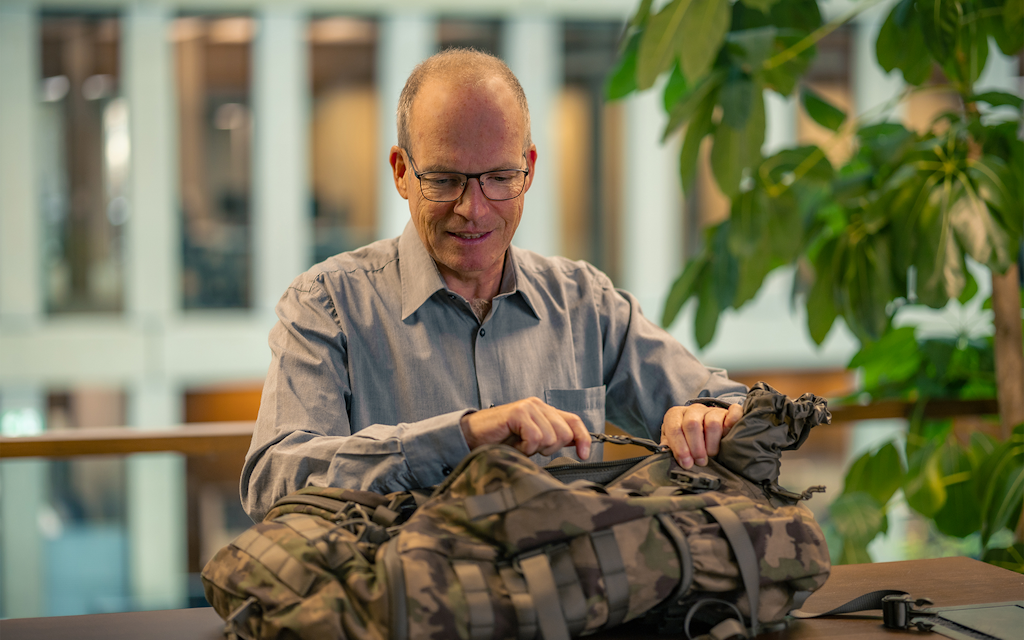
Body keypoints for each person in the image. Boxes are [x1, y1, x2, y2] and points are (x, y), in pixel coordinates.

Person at [240, 48, 747, 522]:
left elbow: (727, 402)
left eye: (500, 178)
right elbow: (274, 480)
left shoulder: (582, 302)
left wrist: (707, 415)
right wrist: (459, 438)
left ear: (528, 169)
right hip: (407, 610)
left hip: (569, 609)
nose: (473, 209)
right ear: (400, 173)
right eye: (444, 180)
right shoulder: (327, 304)